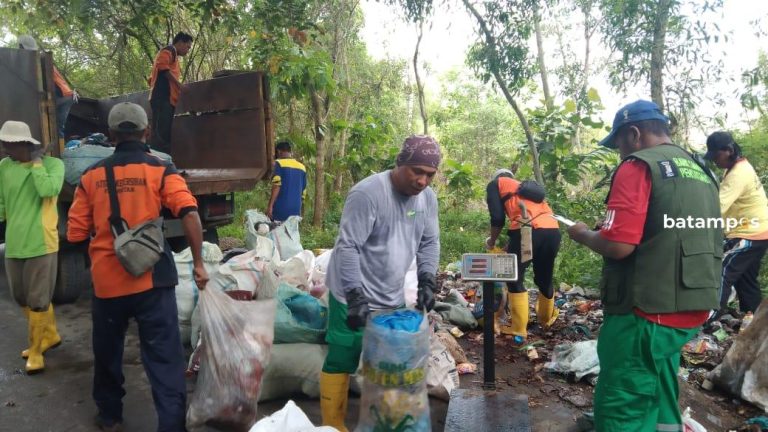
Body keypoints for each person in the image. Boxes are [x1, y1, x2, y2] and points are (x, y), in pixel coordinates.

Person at [566, 100, 721, 432]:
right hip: (693, 303)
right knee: (660, 379)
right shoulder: (700, 170)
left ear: (633, 134)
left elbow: (620, 246)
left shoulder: (638, 166)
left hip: (647, 310)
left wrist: (583, 234)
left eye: (619, 143)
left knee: (624, 402)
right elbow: (673, 229)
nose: (619, 152)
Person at [67, 102, 208, 432]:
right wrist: (199, 264)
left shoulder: (90, 176)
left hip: (107, 284)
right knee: (164, 357)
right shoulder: (161, 170)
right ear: (146, 132)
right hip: (153, 280)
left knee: (107, 351)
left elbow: (75, 232)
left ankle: (110, 415)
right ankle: (171, 424)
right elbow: (189, 212)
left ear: (112, 135)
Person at [319, 135, 441, 432]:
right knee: (343, 355)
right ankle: (333, 425)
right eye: (417, 171)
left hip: (390, 295)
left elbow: (429, 242)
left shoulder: (427, 199)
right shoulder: (369, 193)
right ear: (400, 163)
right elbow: (348, 247)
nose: (423, 181)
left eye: (430, 174)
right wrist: (355, 295)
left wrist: (427, 278)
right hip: (352, 291)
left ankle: (390, 421)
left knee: (392, 362)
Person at [0, 120, 65, 374]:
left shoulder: (52, 165)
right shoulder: (4, 167)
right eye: (4, 143)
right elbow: (2, 202)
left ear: (24, 144)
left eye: (10, 144)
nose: (5, 148)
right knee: (20, 296)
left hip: (41, 242)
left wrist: (37, 164)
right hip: (15, 243)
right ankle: (49, 335)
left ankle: (37, 351)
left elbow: (48, 190)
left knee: (38, 299)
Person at [485, 169, 561, 342]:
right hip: (552, 230)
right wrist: (510, 244)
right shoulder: (524, 189)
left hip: (527, 229)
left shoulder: (496, 184)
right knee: (544, 277)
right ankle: (545, 319)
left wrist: (492, 241)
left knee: (514, 277)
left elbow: (497, 218)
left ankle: (518, 329)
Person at [704, 131, 768, 316]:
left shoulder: (738, 174)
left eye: (716, 155)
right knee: (746, 280)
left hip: (751, 233)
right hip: (758, 231)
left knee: (721, 270)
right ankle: (754, 320)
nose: (715, 160)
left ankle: (707, 318)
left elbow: (717, 208)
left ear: (729, 150)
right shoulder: (738, 167)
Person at [18, 35, 76, 138]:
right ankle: (57, 149)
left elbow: (43, 83)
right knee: (56, 126)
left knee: (56, 126)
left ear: (21, 46)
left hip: (64, 96)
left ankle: (58, 151)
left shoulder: (39, 60)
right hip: (64, 96)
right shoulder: (36, 59)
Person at [148, 32, 193, 154]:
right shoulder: (169, 50)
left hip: (166, 100)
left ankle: (161, 162)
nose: (188, 50)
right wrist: (179, 85)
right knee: (161, 135)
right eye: (187, 47)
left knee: (164, 133)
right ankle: (159, 164)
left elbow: (152, 78)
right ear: (180, 42)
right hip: (162, 99)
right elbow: (162, 67)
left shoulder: (174, 56)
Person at [266, 140, 307, 221]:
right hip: (295, 210)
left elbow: (277, 186)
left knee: (277, 231)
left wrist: (270, 206)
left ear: (278, 151)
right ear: (290, 151)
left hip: (281, 208)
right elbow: (303, 192)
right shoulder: (302, 167)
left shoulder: (278, 163)